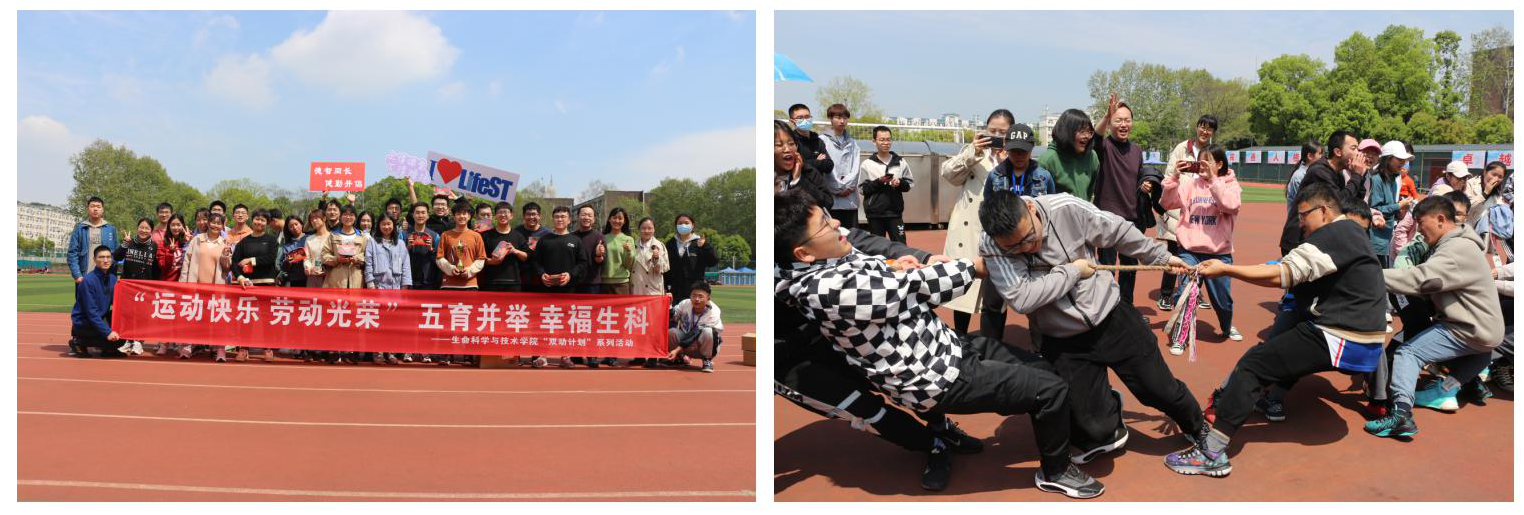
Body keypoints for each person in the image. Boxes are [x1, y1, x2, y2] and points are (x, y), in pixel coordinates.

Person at [774, 190, 1102, 499]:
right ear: (803, 253)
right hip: (934, 377)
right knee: (1050, 389)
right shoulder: (824, 290)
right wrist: (975, 267)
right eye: (825, 224)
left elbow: (878, 269)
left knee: (1040, 367)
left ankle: (1049, 429)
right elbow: (913, 288)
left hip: (943, 344)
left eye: (828, 215)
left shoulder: (829, 256)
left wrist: (896, 263)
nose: (836, 224)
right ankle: (1056, 471)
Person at [1166, 182, 1388, 477]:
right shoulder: (1352, 232)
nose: (1300, 223)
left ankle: (1212, 452)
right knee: (1280, 347)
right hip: (1362, 337)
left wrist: (1226, 269)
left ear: (1323, 211)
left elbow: (1282, 274)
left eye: (1303, 215)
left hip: (1344, 335)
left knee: (1252, 365)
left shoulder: (1332, 234)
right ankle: (1263, 400)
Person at [979, 190, 1205, 468]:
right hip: (1062, 339)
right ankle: (1108, 406)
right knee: (1094, 430)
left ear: (1031, 208)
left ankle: (1198, 426)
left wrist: (1161, 257)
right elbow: (1022, 298)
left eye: (1028, 237)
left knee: (1159, 390)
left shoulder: (1065, 207)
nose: (1025, 249)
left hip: (1112, 316)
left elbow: (1118, 231)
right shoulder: (991, 244)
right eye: (1012, 248)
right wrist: (1072, 271)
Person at [773, 200, 984, 491]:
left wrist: (906, 261)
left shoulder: (798, 209)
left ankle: (941, 428)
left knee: (898, 378)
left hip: (832, 332)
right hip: (784, 358)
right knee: (862, 408)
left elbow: (852, 238)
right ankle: (932, 445)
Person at [1365, 196, 1503, 437]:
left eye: (1420, 222)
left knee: (1409, 353)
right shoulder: (1463, 244)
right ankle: (1447, 389)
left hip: (1467, 328)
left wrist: (1369, 275)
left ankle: (1400, 415)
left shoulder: (1455, 249)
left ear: (1440, 219)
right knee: (1480, 352)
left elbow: (1421, 279)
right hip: (1489, 335)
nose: (1418, 229)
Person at [1160, 144, 1243, 345]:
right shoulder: (1190, 184)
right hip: (1189, 251)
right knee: (1185, 294)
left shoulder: (1231, 185)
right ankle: (1180, 336)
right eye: (1200, 161)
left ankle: (1226, 326)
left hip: (1218, 253)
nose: (1202, 165)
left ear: (1220, 164)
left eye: (1208, 161)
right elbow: (1167, 203)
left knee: (1222, 300)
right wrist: (1174, 178)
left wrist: (1213, 180)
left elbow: (1230, 205)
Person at [941, 109, 1013, 335]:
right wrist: (973, 152)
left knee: (997, 292)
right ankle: (960, 337)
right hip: (967, 230)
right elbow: (948, 174)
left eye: (1002, 132)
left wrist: (1005, 165)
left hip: (996, 232)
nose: (996, 136)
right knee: (963, 285)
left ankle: (992, 343)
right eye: (992, 131)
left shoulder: (1016, 157)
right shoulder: (973, 152)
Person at [1091, 96, 1151, 303]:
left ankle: (1126, 309)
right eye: (1118, 120)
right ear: (1110, 124)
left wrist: (1145, 185)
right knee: (1107, 269)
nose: (1124, 124)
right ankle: (1107, 309)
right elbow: (1095, 135)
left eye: (1127, 120)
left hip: (1131, 220)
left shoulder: (1136, 150)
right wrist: (1106, 115)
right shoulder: (1104, 146)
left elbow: (1139, 177)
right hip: (1106, 219)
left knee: (1129, 269)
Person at [1277, 130, 1371, 256]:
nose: (1358, 153)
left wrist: (1361, 176)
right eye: (1353, 148)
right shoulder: (1320, 172)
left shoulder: (1337, 174)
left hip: (1314, 240)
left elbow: (1353, 203)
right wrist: (1356, 176)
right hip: (1298, 241)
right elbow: (1339, 205)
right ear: (1338, 152)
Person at [1158, 115, 1218, 311]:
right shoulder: (1182, 148)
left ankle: (1194, 292)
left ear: (1213, 132)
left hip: (1201, 210)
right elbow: (1169, 174)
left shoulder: (1212, 152)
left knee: (1198, 253)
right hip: (1179, 207)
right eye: (1202, 126)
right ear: (1197, 127)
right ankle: (1166, 294)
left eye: (1209, 129)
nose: (1205, 131)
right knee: (1174, 252)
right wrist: (1177, 179)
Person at [531, 206, 587, 369]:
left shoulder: (576, 241)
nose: (560, 219)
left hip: (568, 290)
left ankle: (566, 356)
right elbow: (535, 262)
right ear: (553, 219)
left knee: (566, 324)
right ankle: (542, 355)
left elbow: (582, 263)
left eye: (563, 217)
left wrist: (570, 275)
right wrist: (542, 275)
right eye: (557, 217)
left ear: (569, 220)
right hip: (546, 289)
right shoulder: (544, 240)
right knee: (545, 323)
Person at [230, 209, 282, 362]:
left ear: (267, 223)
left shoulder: (271, 240)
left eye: (263, 220)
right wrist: (240, 277)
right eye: (257, 219)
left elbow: (270, 258)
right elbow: (234, 262)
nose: (259, 222)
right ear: (252, 220)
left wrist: (251, 260)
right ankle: (243, 348)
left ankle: (268, 348)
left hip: (267, 284)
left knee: (267, 319)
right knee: (246, 318)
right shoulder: (244, 242)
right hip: (248, 285)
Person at [180, 213, 231, 361]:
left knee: (217, 318)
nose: (215, 225)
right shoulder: (197, 239)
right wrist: (183, 283)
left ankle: (219, 348)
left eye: (219, 223)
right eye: (213, 222)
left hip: (216, 288)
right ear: (208, 223)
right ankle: (188, 346)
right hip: (195, 286)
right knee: (192, 316)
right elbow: (187, 262)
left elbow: (227, 268)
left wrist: (226, 256)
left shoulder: (225, 242)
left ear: (223, 226)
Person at [365, 213, 412, 364]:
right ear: (378, 225)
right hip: (379, 287)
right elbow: (368, 264)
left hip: (396, 288)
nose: (386, 227)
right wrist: (371, 284)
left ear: (393, 225)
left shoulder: (401, 244)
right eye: (383, 224)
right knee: (377, 322)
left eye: (389, 224)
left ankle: (391, 352)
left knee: (393, 323)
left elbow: (406, 267)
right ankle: (378, 352)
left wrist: (404, 288)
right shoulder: (373, 242)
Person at [112, 218, 159, 356]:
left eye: (147, 228)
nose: (143, 230)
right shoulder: (129, 243)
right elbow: (116, 256)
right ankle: (128, 340)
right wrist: (124, 244)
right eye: (141, 227)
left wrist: (154, 286)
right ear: (137, 228)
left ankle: (138, 341)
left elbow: (156, 269)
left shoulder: (154, 247)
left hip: (145, 287)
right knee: (127, 314)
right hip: (127, 286)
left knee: (142, 315)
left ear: (151, 231)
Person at [859, 126, 914, 243]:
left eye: (888, 140)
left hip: (895, 213)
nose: (886, 143)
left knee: (900, 246)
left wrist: (899, 183)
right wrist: (879, 182)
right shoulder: (867, 164)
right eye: (882, 140)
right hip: (875, 215)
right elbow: (862, 189)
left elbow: (909, 184)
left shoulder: (900, 161)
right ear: (874, 141)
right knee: (877, 248)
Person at [70, 246, 124, 358]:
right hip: (85, 323)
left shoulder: (113, 279)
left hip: (99, 317)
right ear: (94, 260)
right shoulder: (88, 281)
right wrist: (108, 332)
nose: (105, 260)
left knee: (124, 332)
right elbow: (91, 313)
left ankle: (107, 348)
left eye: (108, 257)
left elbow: (116, 303)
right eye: (101, 257)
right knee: (116, 339)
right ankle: (78, 342)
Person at [1368, 141, 1413, 268]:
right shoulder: (1377, 179)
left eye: (1404, 160)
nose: (1403, 163)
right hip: (1376, 239)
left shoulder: (1393, 179)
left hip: (1386, 238)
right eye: (1399, 159)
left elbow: (1389, 208)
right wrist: (1398, 206)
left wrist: (1400, 210)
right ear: (1388, 159)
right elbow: (1375, 210)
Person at [1037, 108, 1100, 199]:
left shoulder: (1091, 157)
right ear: (1066, 132)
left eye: (1089, 132)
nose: (1086, 136)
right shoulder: (1048, 160)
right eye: (1082, 131)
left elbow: (1090, 191)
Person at [774, 119, 833, 210]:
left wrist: (798, 181)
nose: (787, 149)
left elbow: (827, 202)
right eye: (779, 145)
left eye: (791, 143)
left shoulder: (808, 172)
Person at [820, 103, 862, 228]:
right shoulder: (822, 140)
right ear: (830, 118)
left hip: (849, 199)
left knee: (851, 234)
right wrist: (836, 189)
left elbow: (856, 169)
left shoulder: (853, 142)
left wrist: (848, 188)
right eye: (838, 117)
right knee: (832, 234)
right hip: (830, 198)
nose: (842, 121)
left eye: (845, 118)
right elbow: (825, 169)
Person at [668, 281, 723, 372]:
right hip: (686, 342)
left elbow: (695, 333)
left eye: (701, 296)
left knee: (708, 332)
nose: (697, 299)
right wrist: (669, 304)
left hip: (702, 346)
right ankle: (679, 358)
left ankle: (707, 360)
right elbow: (672, 317)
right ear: (690, 296)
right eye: (694, 295)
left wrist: (676, 349)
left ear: (708, 298)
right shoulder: (685, 303)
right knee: (672, 332)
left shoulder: (713, 312)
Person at [664, 213, 718, 306]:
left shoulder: (699, 243)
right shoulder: (670, 244)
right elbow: (666, 269)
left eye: (686, 223)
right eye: (680, 223)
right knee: (674, 314)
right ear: (676, 226)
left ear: (692, 225)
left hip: (694, 293)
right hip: (674, 292)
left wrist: (705, 246)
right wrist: (665, 287)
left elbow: (713, 262)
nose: (683, 225)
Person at [155, 214, 190, 357]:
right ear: (169, 226)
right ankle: (164, 343)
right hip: (168, 285)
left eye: (178, 225)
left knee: (182, 317)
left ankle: (180, 344)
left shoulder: (188, 241)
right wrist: (170, 251)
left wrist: (189, 242)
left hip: (184, 286)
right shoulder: (163, 243)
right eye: (173, 225)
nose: (176, 227)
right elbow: (162, 266)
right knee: (166, 316)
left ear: (183, 226)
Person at [479, 201, 531, 294]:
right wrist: (492, 261)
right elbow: (479, 259)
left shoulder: (518, 235)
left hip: (513, 283)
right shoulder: (486, 235)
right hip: (491, 283)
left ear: (511, 215)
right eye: (500, 212)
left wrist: (515, 251)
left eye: (506, 212)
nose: (503, 215)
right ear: (495, 216)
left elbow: (527, 257)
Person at [67, 196, 119, 285]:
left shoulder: (110, 229)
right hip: (84, 278)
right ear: (88, 209)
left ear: (102, 210)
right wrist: (77, 275)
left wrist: (112, 274)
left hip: (106, 278)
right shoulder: (80, 229)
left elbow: (115, 254)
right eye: (92, 206)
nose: (95, 209)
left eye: (98, 207)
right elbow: (72, 253)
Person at [436, 202, 486, 292]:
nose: (461, 216)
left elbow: (481, 259)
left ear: (469, 216)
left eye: (464, 213)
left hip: (470, 285)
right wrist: (450, 269)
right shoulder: (445, 235)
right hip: (448, 284)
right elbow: (439, 258)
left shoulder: (476, 236)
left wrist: (470, 271)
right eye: (458, 214)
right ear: (454, 217)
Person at [322, 206, 369, 290]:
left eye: (351, 215)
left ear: (355, 218)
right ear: (340, 217)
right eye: (345, 214)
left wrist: (357, 259)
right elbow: (324, 255)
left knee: (354, 298)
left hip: (356, 279)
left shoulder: (362, 237)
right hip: (336, 280)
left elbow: (368, 256)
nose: (348, 217)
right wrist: (337, 259)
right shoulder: (332, 235)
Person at [786, 103, 835, 181]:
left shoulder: (818, 141)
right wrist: (817, 162)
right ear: (792, 121)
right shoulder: (791, 142)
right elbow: (793, 166)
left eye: (807, 116)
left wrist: (805, 163)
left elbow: (829, 166)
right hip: (800, 186)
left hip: (819, 186)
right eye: (800, 118)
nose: (805, 120)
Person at [601, 207, 636, 295]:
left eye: (620, 218)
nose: (617, 220)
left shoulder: (628, 239)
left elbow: (629, 265)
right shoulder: (602, 238)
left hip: (622, 283)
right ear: (609, 219)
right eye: (614, 218)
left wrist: (629, 252)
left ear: (624, 221)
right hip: (603, 283)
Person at [1283, 141, 1323, 219]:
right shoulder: (1300, 176)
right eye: (1320, 153)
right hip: (1299, 222)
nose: (1322, 157)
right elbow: (1308, 204)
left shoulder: (1313, 173)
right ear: (1310, 156)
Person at [573, 205, 606, 295]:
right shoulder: (572, 237)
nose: (586, 217)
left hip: (592, 284)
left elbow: (601, 261)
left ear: (594, 219)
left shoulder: (599, 237)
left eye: (589, 215)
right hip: (574, 281)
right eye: (583, 215)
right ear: (578, 217)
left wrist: (599, 255)